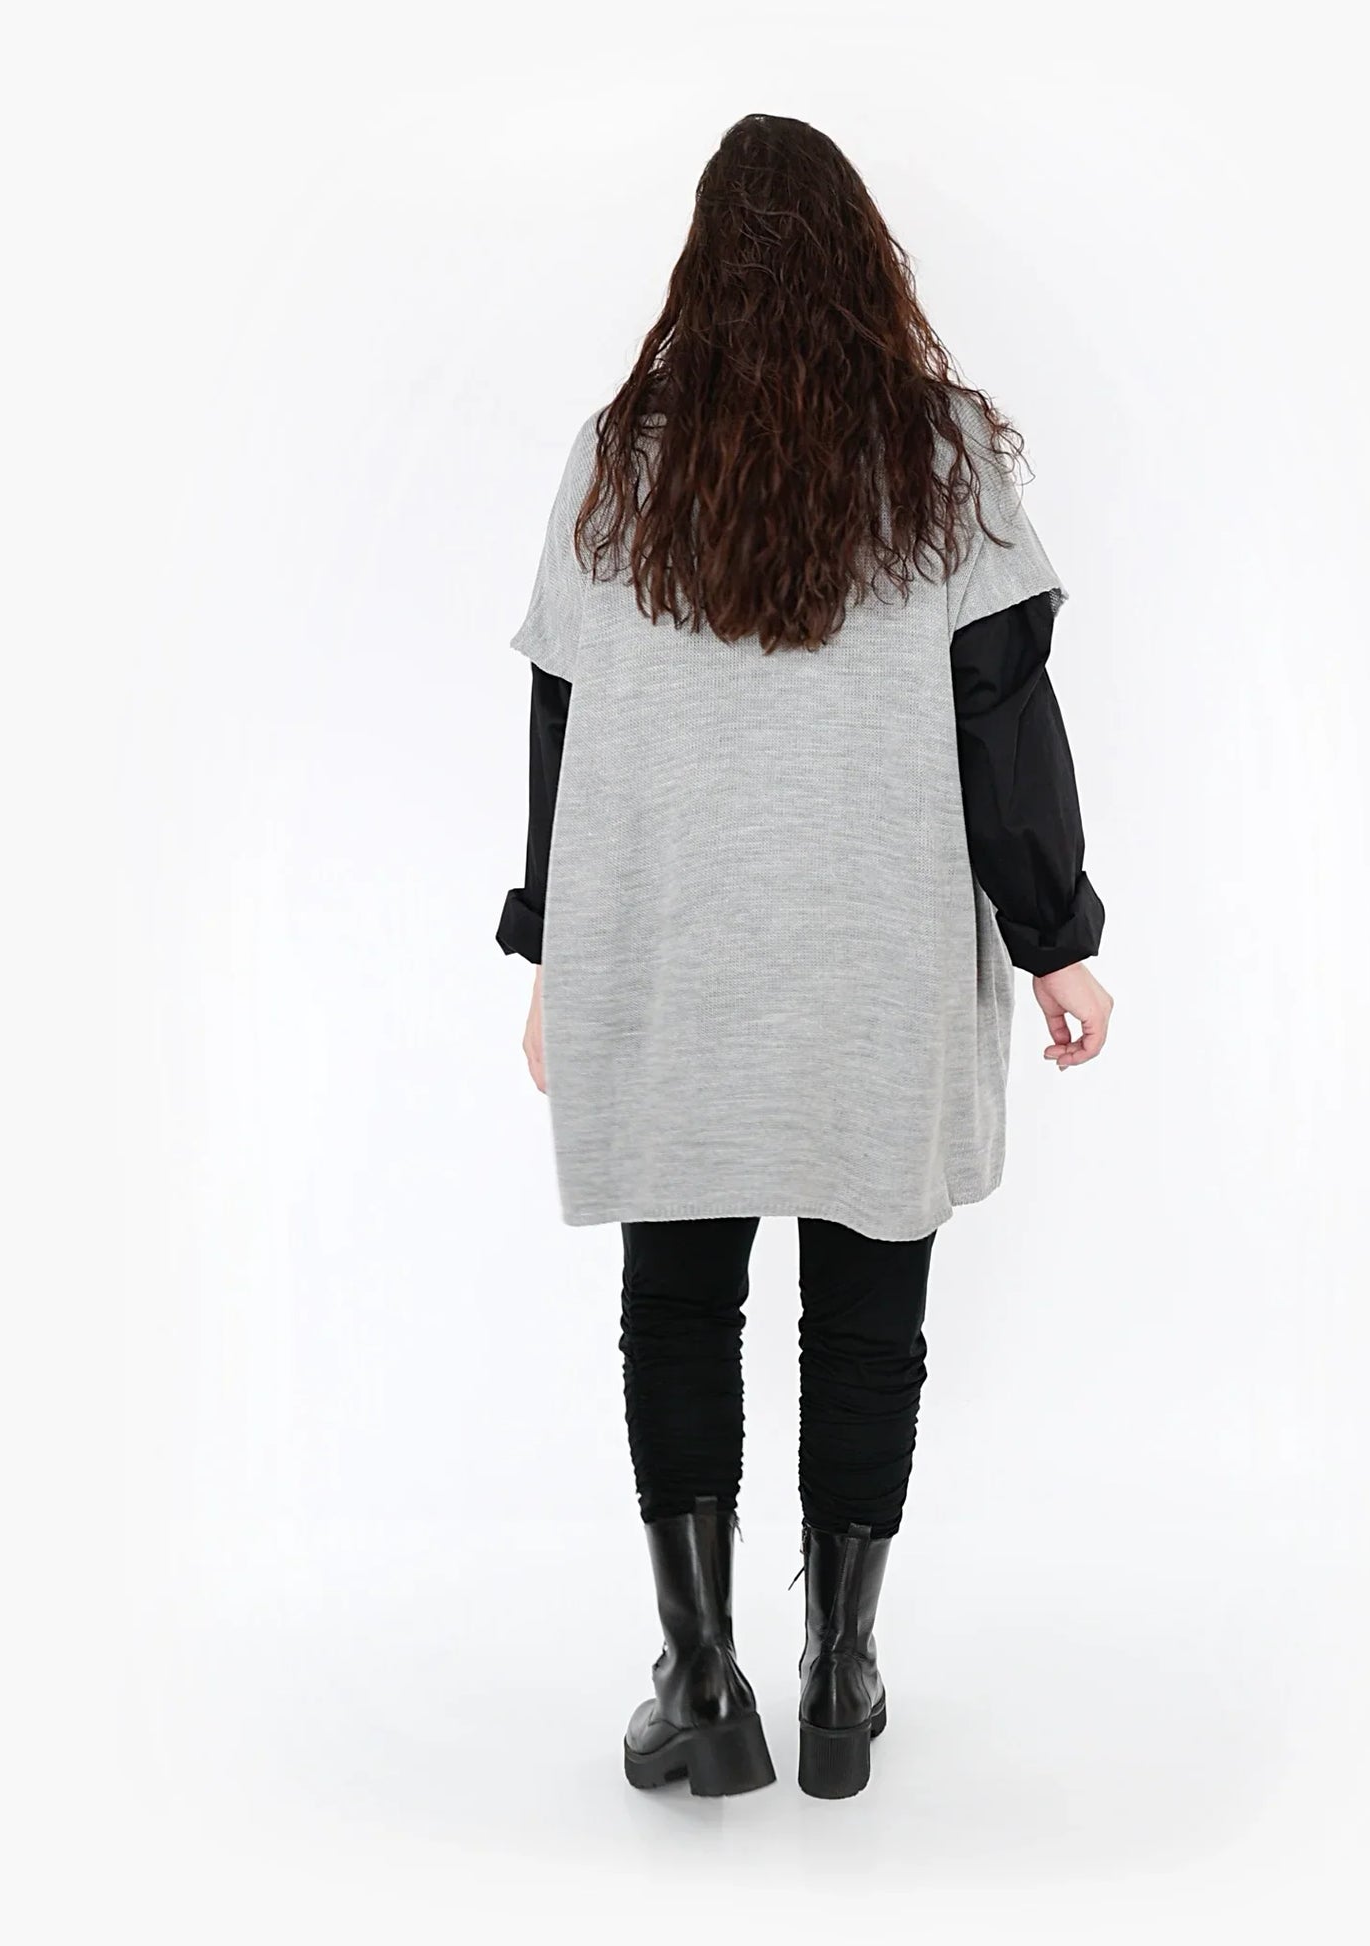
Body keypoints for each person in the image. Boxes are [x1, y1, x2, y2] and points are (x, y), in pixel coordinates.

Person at [496, 114, 1111, 1801]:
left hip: (670, 943)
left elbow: (558, 717)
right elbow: (1002, 708)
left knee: (677, 1304)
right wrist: (1055, 940)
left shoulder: (618, 458)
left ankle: (702, 1676)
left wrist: (550, 952)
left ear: (700, 264)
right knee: (866, 1314)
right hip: (876, 949)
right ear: (863, 260)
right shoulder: (940, 458)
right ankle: (838, 1673)